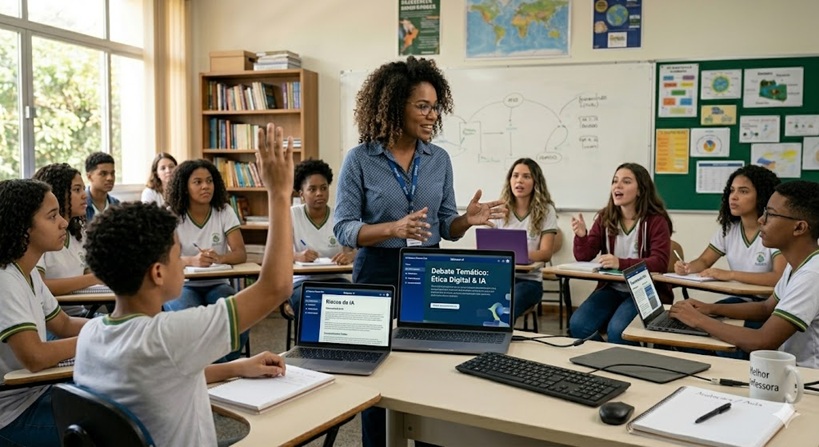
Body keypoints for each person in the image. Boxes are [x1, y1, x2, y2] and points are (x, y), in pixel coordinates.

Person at [73, 123, 294, 446]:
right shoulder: (171, 335)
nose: (183, 262)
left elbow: (166, 371)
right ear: (158, 273)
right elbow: (276, 286)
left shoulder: (91, 333)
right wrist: (279, 193)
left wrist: (235, 367)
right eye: (178, 256)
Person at [333, 55, 506, 447]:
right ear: (396, 106)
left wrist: (466, 220)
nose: (432, 115)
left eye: (435, 107)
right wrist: (393, 228)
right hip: (377, 271)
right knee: (376, 371)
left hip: (429, 271)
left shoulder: (438, 159)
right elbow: (343, 227)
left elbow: (445, 226)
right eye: (423, 106)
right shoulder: (360, 159)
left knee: (431, 367)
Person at [670, 180, 819, 368]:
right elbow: (766, 308)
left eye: (771, 214)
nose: (761, 220)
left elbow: (763, 341)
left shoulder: (811, 275)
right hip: (790, 372)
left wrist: (698, 319)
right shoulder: (797, 265)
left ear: (799, 228)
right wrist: (710, 308)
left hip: (808, 379)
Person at [0, 179, 87, 446]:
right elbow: (35, 357)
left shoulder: (26, 272)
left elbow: (63, 324)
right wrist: (96, 338)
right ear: (23, 228)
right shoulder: (5, 279)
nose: (64, 223)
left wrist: (114, 327)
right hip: (12, 415)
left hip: (35, 393)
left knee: (120, 404)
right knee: (108, 431)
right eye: (52, 216)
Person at [569, 162, 673, 345]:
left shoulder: (656, 220)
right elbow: (584, 256)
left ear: (640, 190)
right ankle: (604, 357)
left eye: (626, 181)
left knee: (618, 331)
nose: (618, 186)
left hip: (645, 290)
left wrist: (620, 263)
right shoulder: (605, 217)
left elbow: (659, 262)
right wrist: (582, 236)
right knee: (578, 325)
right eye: (615, 181)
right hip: (612, 288)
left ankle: (625, 361)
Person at [674, 165, 784, 330]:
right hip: (741, 300)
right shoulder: (729, 230)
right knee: (692, 320)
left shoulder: (775, 231)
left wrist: (730, 274)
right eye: (732, 191)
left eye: (743, 191)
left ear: (762, 196)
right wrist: (687, 267)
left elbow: (777, 277)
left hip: (769, 306)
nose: (734, 197)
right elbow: (704, 261)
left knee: (718, 328)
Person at [164, 158, 248, 361]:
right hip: (182, 286)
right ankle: (222, 370)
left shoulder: (224, 211)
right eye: (198, 182)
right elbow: (168, 260)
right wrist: (192, 261)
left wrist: (220, 257)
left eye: (209, 181)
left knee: (239, 316)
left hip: (217, 283)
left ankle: (226, 365)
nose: (205, 186)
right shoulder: (172, 215)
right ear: (184, 187)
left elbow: (240, 253)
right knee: (193, 324)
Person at [490, 158, 557, 321]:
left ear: (536, 182)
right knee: (476, 300)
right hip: (501, 278)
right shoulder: (500, 210)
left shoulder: (546, 210)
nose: (519, 180)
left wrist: (517, 255)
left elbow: (546, 253)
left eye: (526, 176)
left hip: (529, 282)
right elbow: (488, 247)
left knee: (505, 307)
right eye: (515, 176)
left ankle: (498, 336)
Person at [33, 163, 104, 317]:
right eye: (77, 190)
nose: (85, 195)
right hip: (56, 320)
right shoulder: (41, 238)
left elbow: (89, 272)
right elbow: (41, 286)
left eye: (83, 189)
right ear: (57, 193)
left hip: (81, 314)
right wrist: (93, 278)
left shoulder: (77, 234)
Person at [290, 159, 355, 319]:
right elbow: (277, 254)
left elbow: (353, 251)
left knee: (353, 299)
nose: (319, 193)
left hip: (336, 279)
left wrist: (350, 256)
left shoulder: (339, 216)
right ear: (301, 194)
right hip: (302, 281)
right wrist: (297, 256)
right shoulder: (291, 215)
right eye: (312, 189)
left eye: (324, 188)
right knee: (310, 303)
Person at [84, 151, 120, 221]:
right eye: (103, 174)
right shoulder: (81, 205)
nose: (110, 178)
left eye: (112, 173)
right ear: (89, 177)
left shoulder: (117, 205)